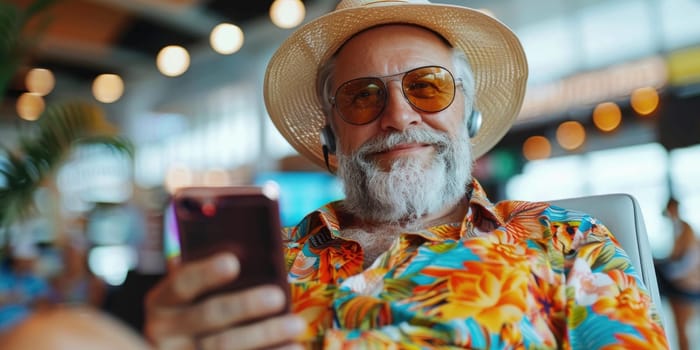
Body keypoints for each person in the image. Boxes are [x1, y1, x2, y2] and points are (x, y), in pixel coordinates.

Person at [144, 0, 669, 348]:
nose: (398, 116)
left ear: (471, 115)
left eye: (428, 87)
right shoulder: (267, 263)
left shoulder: (566, 241)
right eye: (363, 95)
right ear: (331, 135)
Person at [655, 197, 700, 350]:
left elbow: (686, 259)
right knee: (680, 328)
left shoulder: (685, 228)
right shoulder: (677, 228)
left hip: (686, 285)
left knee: (682, 328)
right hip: (680, 283)